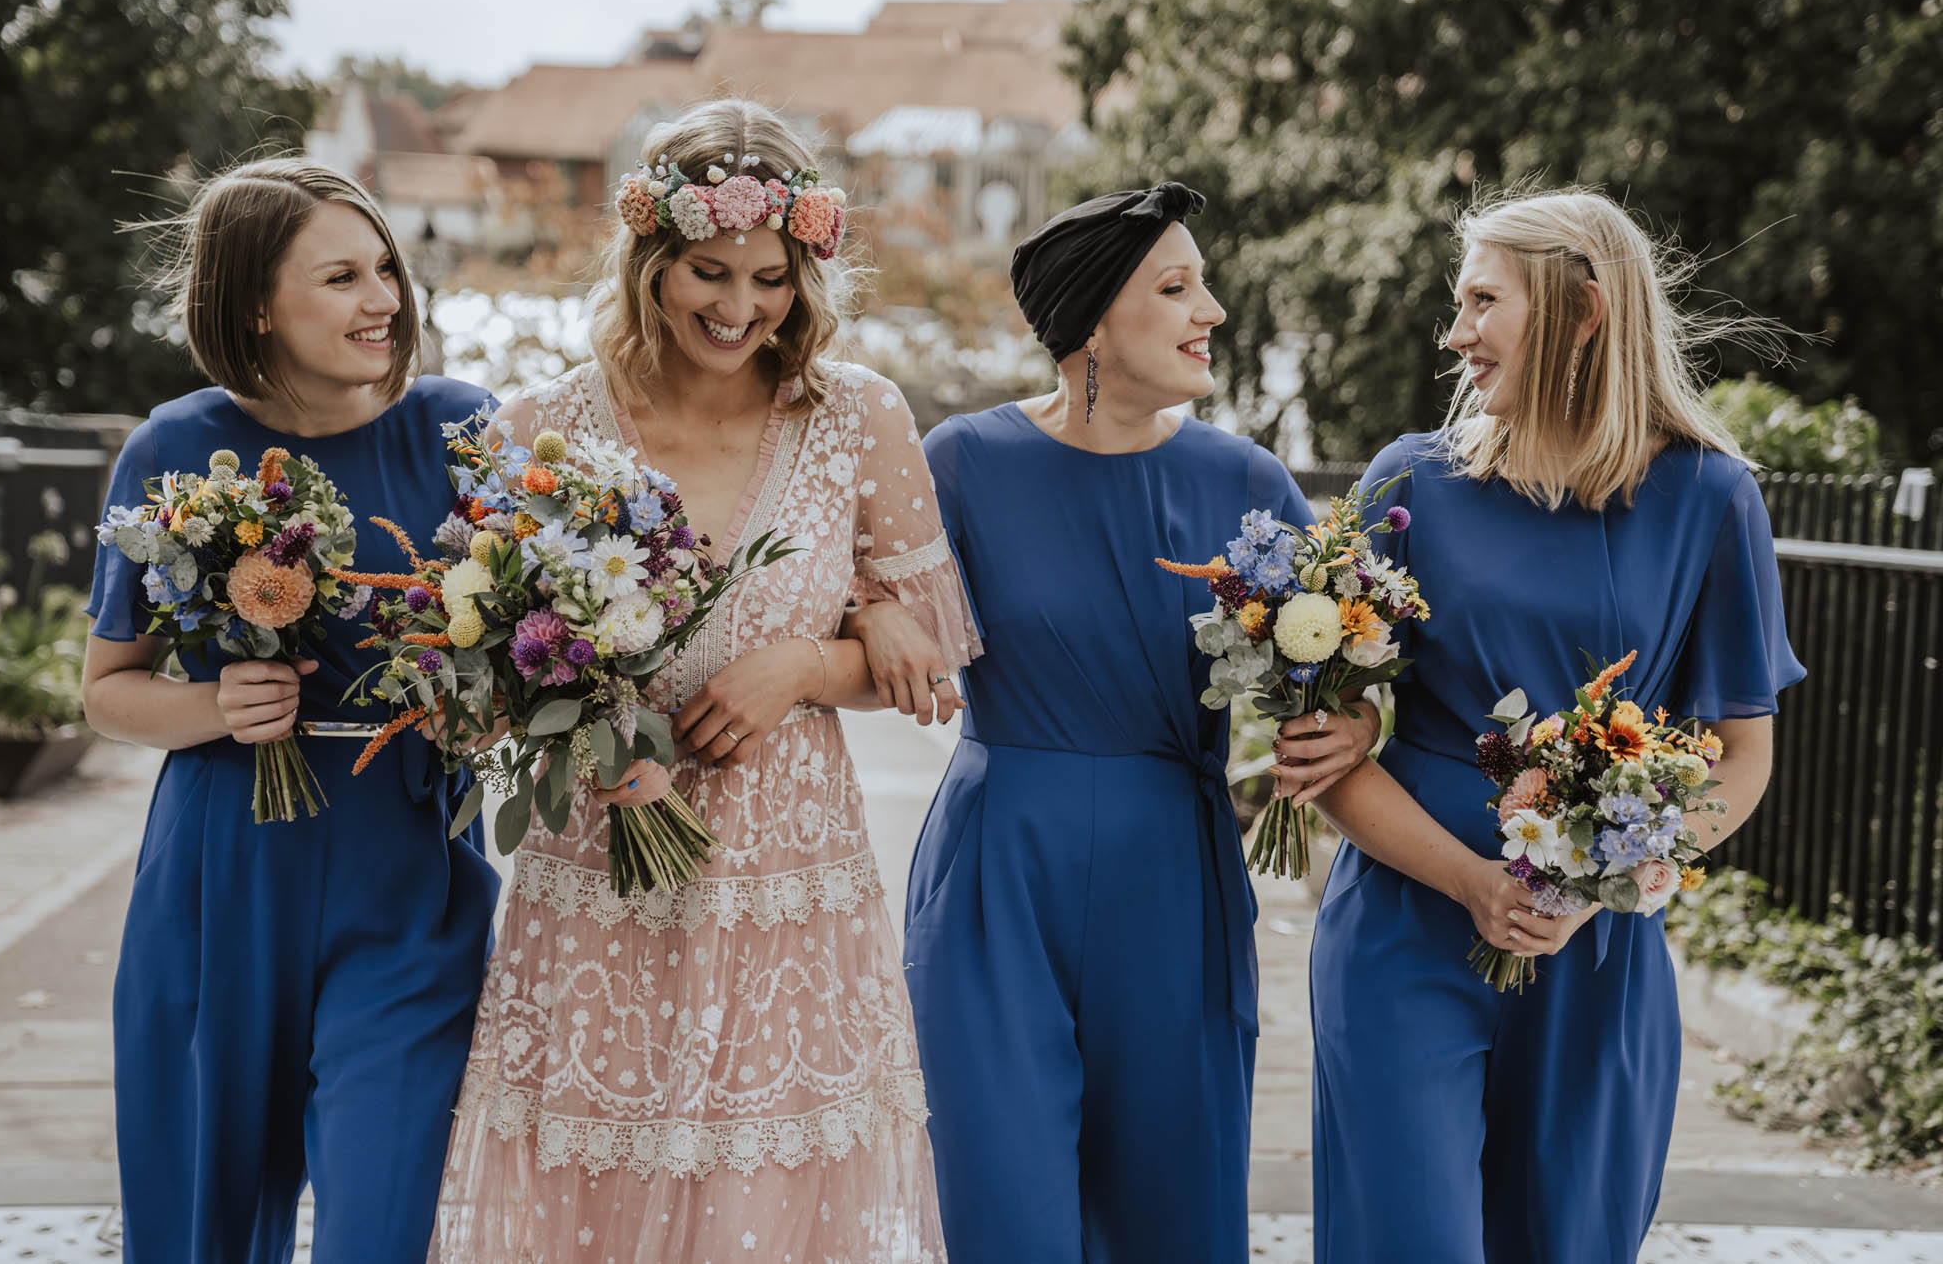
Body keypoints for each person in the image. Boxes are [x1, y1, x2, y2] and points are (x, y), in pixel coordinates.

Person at [430, 99, 975, 1262]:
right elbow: (476, 664)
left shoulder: (858, 417)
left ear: (805, 272)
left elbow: (924, 666)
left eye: (768, 278)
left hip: (786, 882)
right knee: (589, 1186)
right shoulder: (545, 425)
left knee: (768, 1195)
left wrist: (810, 661)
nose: (738, 308)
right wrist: (587, 730)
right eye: (706, 272)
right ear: (648, 261)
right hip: (599, 875)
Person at [862, 183, 1379, 1262]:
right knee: (998, 1205)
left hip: (1172, 872)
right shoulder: (959, 461)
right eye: (1176, 286)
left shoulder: (1245, 480)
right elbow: (854, 593)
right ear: (1095, 315)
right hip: (999, 867)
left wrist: (1357, 723)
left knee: (1172, 1210)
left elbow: (1349, 658)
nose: (1213, 311)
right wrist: (870, 610)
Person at [1307, 188, 1806, 1263]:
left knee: (1567, 1241)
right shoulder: (1407, 484)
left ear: (1581, 311)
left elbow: (1742, 750)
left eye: (1482, 301)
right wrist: (1470, 881)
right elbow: (1330, 753)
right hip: (1405, 928)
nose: (1454, 335)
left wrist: (1592, 885)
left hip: (1594, 952)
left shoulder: (1711, 499)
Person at [82, 158, 500, 1262]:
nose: (384, 302)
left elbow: (525, 645)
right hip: (223, 880)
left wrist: (488, 709)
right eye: (342, 278)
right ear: (258, 305)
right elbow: (107, 689)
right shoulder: (173, 447)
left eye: (386, 271)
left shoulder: (465, 432)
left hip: (407, 875)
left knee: (378, 1214)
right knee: (198, 1227)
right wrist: (215, 701)